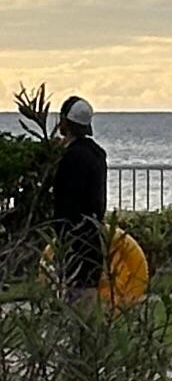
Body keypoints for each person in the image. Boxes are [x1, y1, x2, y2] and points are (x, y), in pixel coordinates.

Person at [51, 93, 108, 297]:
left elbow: (64, 202)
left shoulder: (70, 157)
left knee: (73, 299)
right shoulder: (97, 154)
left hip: (72, 241)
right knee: (88, 299)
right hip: (92, 238)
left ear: (64, 121)